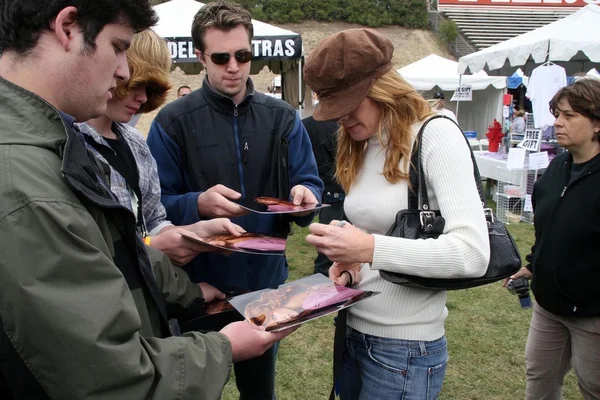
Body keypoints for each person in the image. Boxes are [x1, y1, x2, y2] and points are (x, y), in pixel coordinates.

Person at [0, 2, 295, 399]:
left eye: (243, 56)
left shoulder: (58, 147)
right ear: (68, 28)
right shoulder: (27, 179)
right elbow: (111, 376)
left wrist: (187, 281)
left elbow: (113, 244)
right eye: (119, 47)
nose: (124, 72)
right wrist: (226, 346)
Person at [146, 2, 323, 399]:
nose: (233, 66)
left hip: (265, 286)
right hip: (198, 289)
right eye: (221, 57)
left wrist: (305, 193)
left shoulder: (282, 117)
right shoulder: (172, 121)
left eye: (242, 55)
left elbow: (309, 181)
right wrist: (196, 204)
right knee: (192, 390)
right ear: (200, 57)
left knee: (260, 392)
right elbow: (153, 207)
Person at [304, 28, 489, 399]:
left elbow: (472, 254)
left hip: (404, 349)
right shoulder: (363, 141)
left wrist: (368, 248)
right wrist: (350, 259)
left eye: (348, 105)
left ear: (380, 88)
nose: (340, 120)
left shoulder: (435, 135)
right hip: (355, 330)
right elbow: (378, 228)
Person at [77, 29, 244, 332]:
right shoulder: (74, 147)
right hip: (108, 317)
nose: (142, 99)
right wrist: (154, 246)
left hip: (155, 312)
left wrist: (192, 233)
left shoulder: (135, 142)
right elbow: (86, 252)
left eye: (151, 89)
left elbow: (154, 217)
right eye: (136, 84)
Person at [504, 78, 600, 400]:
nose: (557, 123)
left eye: (570, 116)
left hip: (593, 314)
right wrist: (533, 266)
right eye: (557, 114)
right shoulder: (556, 168)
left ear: (597, 124)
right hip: (548, 306)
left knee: (594, 386)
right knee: (539, 380)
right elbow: (548, 231)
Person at [302, 114, 345, 276]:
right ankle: (322, 277)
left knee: (330, 238)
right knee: (330, 242)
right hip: (332, 188)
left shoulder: (304, 124)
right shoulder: (336, 126)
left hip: (319, 186)